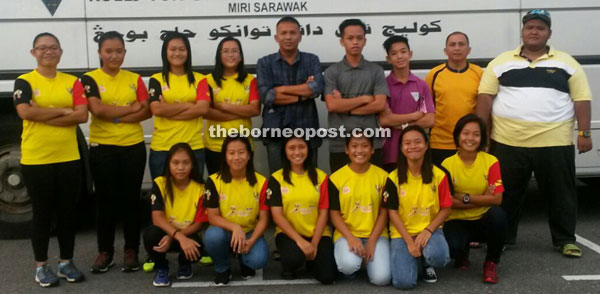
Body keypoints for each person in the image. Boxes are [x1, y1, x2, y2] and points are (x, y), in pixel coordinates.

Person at [476, 9, 592, 257]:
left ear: (549, 33)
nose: (534, 31)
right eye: (530, 27)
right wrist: (482, 134)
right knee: (506, 194)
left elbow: (582, 99)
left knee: (561, 193)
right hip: (507, 141)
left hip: (554, 141)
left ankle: (565, 239)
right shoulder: (501, 62)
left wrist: (584, 132)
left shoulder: (567, 63)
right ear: (522, 31)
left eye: (540, 27)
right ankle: (504, 237)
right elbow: (485, 98)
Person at [13, 32, 88, 287]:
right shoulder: (24, 81)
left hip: (68, 157)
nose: (48, 51)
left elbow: (82, 116)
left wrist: (41, 112)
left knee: (68, 213)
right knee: (42, 214)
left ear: (60, 52)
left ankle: (66, 262)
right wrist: (63, 110)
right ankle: (41, 266)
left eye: (53, 47)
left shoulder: (73, 82)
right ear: (33, 52)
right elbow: (24, 111)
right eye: (42, 48)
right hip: (36, 159)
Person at [81, 31, 151, 274]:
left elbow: (146, 111)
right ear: (100, 52)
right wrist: (127, 111)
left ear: (124, 52)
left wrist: (118, 114)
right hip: (103, 148)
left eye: (119, 51)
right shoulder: (89, 78)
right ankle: (105, 251)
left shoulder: (135, 78)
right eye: (109, 51)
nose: (114, 55)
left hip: (132, 147)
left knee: (131, 200)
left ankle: (131, 250)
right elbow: (97, 110)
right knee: (105, 201)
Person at [382, 125, 451, 289]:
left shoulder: (439, 175)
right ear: (401, 148)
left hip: (430, 230)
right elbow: (392, 213)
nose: (413, 146)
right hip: (402, 233)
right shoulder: (393, 178)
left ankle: (428, 263)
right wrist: (409, 242)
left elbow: (446, 208)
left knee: (438, 257)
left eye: (418, 142)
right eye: (407, 143)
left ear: (426, 145)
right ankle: (416, 259)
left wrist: (427, 231)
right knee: (403, 283)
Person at [441, 114, 507, 284]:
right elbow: (447, 202)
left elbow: (497, 199)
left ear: (482, 137)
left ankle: (491, 263)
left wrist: (464, 198)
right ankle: (462, 253)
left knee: (499, 216)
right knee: (453, 248)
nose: (470, 138)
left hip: (483, 219)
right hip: (456, 220)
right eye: (466, 133)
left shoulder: (491, 161)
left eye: (476, 134)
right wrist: (483, 197)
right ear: (458, 136)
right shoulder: (447, 164)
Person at [257, 16, 324, 173]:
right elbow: (267, 96)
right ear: (276, 37)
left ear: (300, 36)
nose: (288, 37)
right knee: (277, 183)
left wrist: (280, 89)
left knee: (310, 182)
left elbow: (316, 88)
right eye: (284, 33)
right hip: (276, 133)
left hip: (307, 131)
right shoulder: (265, 63)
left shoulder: (311, 60)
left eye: (293, 33)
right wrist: (303, 94)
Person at [266, 136, 337, 284]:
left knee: (328, 277)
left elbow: (324, 213)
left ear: (308, 150)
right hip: (289, 235)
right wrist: (300, 241)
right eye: (292, 148)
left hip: (317, 233)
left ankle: (311, 261)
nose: (297, 152)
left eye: (301, 147)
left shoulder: (322, 177)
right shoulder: (276, 179)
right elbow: (277, 216)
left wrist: (315, 244)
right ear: (284, 151)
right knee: (294, 258)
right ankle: (291, 264)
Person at [203, 135, 269, 285]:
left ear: (249, 155)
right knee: (213, 237)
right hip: (225, 231)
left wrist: (251, 241)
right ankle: (222, 268)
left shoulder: (261, 181)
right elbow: (212, 217)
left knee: (258, 260)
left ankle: (244, 260)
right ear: (225, 156)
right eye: (231, 153)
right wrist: (234, 227)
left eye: (241, 152)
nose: (237, 157)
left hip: (250, 231)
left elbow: (264, 218)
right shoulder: (214, 180)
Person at [324, 19, 388, 172]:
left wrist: (345, 107)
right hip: (340, 143)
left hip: (371, 143)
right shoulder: (332, 72)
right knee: (341, 191)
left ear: (365, 41)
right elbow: (332, 105)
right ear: (342, 41)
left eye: (359, 38)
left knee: (375, 191)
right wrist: (364, 99)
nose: (355, 42)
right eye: (350, 38)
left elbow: (379, 104)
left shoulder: (376, 71)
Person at [328, 131, 391, 286]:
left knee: (381, 279)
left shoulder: (383, 177)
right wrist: (350, 238)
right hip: (347, 234)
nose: (359, 151)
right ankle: (354, 263)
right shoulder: (336, 178)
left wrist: (372, 241)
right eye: (354, 146)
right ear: (347, 150)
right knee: (348, 266)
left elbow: (384, 213)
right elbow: (334, 214)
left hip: (376, 235)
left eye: (364, 146)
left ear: (372, 149)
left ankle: (366, 257)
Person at [143, 143, 207, 287]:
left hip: (186, 234)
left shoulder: (201, 188)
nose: (180, 167)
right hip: (165, 233)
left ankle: (184, 264)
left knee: (197, 246)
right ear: (169, 164)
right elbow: (157, 218)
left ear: (192, 165)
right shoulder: (160, 184)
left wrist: (175, 238)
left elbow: (199, 224)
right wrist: (176, 236)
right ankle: (161, 267)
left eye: (185, 163)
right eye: (175, 163)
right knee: (150, 234)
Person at [148, 32, 210, 179]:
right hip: (162, 148)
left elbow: (203, 108)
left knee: (193, 197)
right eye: (173, 49)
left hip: (193, 147)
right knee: (162, 197)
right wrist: (189, 104)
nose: (177, 53)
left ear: (188, 52)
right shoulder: (156, 79)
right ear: (165, 52)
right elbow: (156, 109)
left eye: (182, 49)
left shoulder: (200, 79)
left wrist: (167, 109)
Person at [204, 37, 260, 175]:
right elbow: (206, 112)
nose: (230, 55)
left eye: (235, 51)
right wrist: (241, 111)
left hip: (243, 146)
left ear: (240, 56)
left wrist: (223, 106)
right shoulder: (207, 81)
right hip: (215, 145)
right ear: (219, 55)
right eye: (226, 51)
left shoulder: (251, 80)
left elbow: (255, 109)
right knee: (218, 188)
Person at [426, 32, 483, 166]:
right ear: (446, 50)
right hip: (440, 142)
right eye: (452, 44)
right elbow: (426, 109)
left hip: (470, 142)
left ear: (468, 49)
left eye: (461, 44)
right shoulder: (434, 74)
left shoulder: (479, 73)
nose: (457, 48)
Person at [378, 36, 435, 172]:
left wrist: (402, 125)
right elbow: (385, 119)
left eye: (403, 52)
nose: (399, 56)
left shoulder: (421, 84)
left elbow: (429, 120)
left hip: (416, 151)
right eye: (394, 53)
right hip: (390, 152)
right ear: (388, 59)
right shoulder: (383, 86)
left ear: (410, 54)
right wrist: (415, 115)